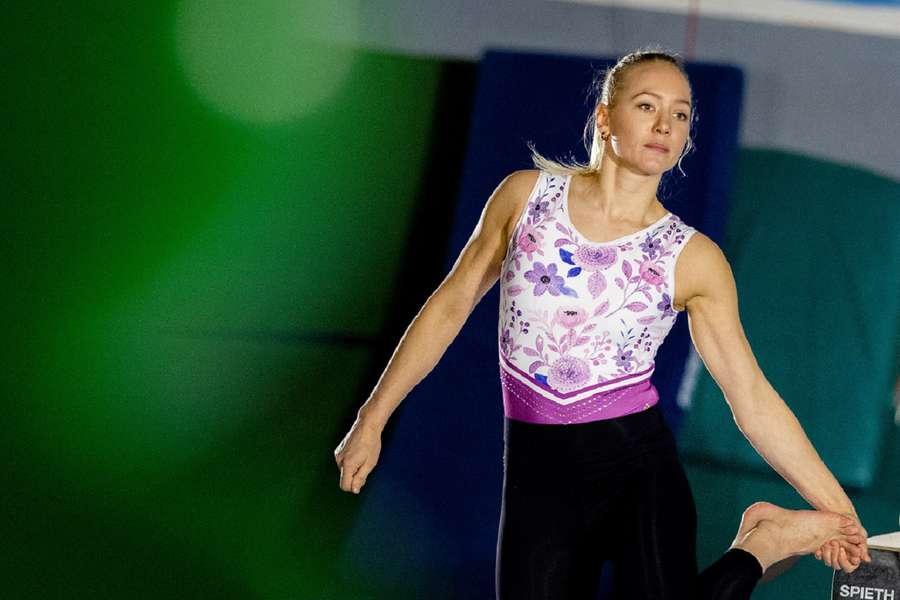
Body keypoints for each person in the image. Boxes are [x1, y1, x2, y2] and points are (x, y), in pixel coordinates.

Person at [334, 47, 871, 598]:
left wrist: (840, 511)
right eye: (646, 105)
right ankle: (769, 538)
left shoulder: (693, 257)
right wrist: (372, 418)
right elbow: (449, 305)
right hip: (536, 479)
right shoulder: (524, 200)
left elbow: (750, 396)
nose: (665, 125)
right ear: (606, 117)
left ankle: (765, 542)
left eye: (681, 114)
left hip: (637, 471)